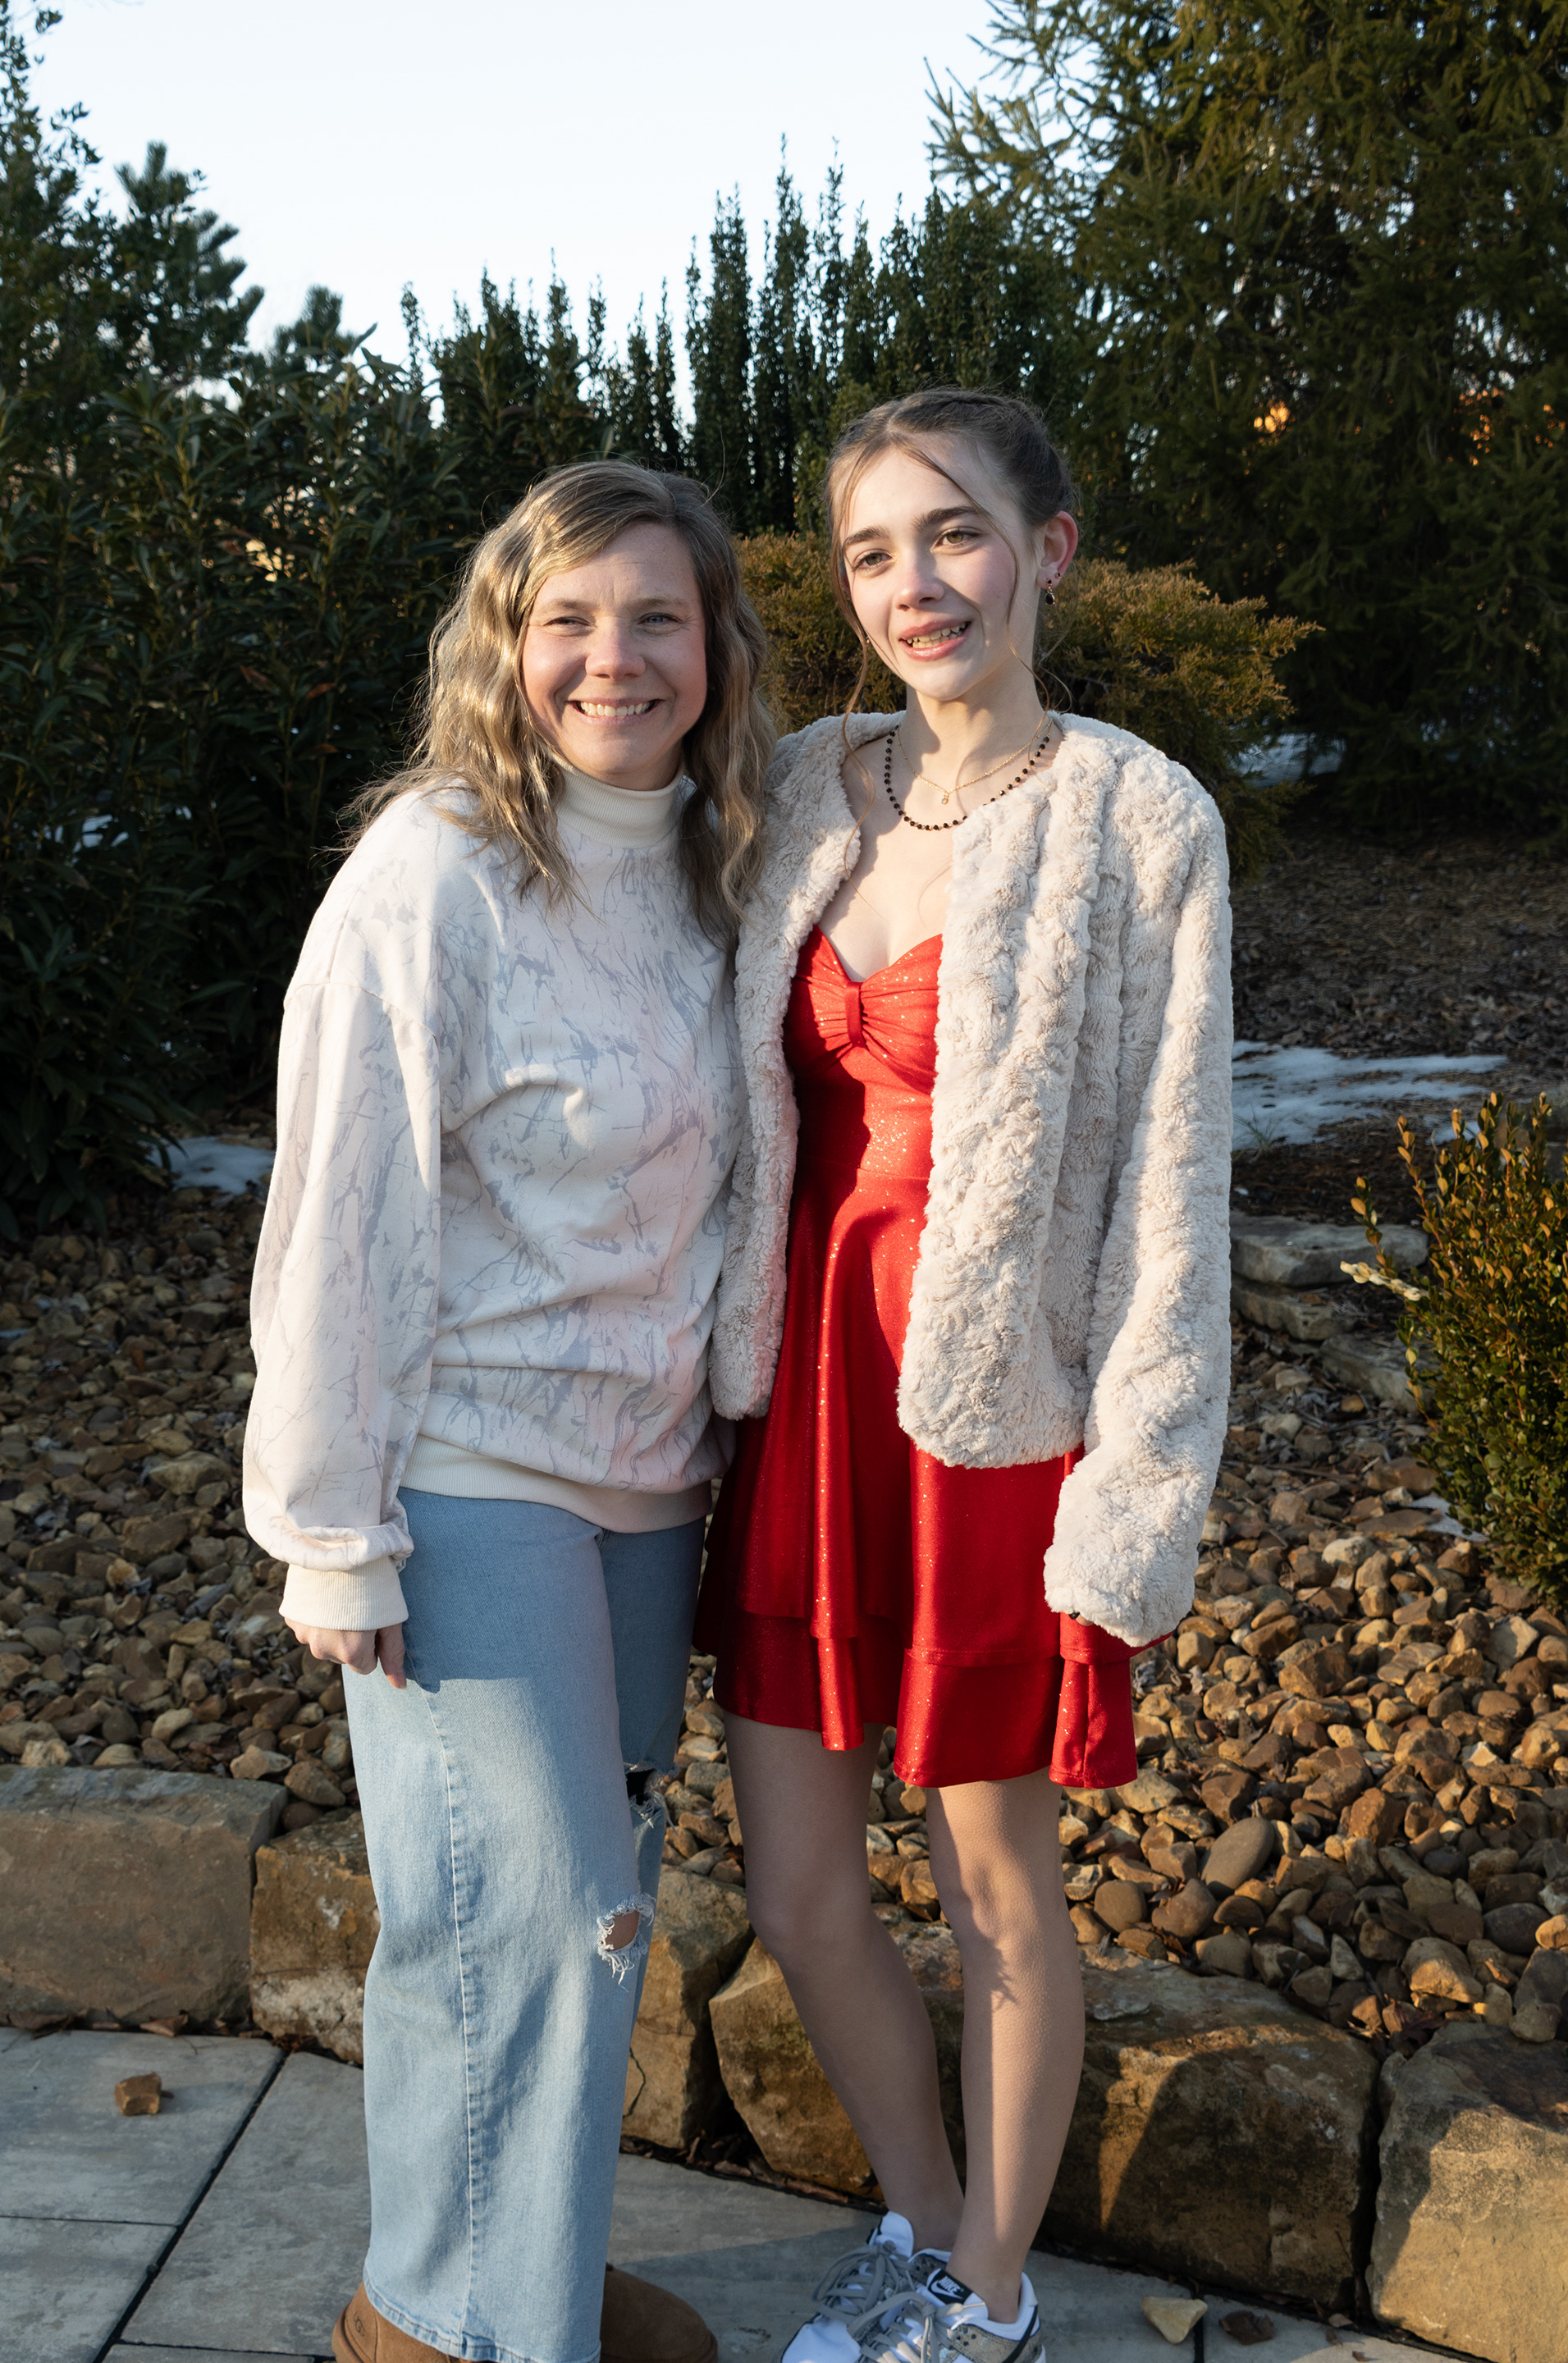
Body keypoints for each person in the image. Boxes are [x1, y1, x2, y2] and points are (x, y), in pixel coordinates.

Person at [699, 386, 1232, 2363]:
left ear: (1049, 549)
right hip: (808, 1405)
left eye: (956, 533)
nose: (916, 584)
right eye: (872, 550)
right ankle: (925, 2227)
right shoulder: (805, 788)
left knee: (996, 1881)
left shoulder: (1141, 818)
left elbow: (1175, 1178)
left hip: (997, 1424)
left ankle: (989, 2290)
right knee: (795, 1879)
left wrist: (1141, 1485)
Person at [244, 459, 775, 2363]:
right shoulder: (437, 872)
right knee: (513, 1921)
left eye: (657, 618)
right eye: (570, 620)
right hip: (469, 1472)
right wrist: (330, 1526)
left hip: (646, 1479)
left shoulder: (721, 866)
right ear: (506, 643)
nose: (614, 658)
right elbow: (343, 1201)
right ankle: (461, 2332)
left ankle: (501, 2285)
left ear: (715, 648)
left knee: (589, 1917)